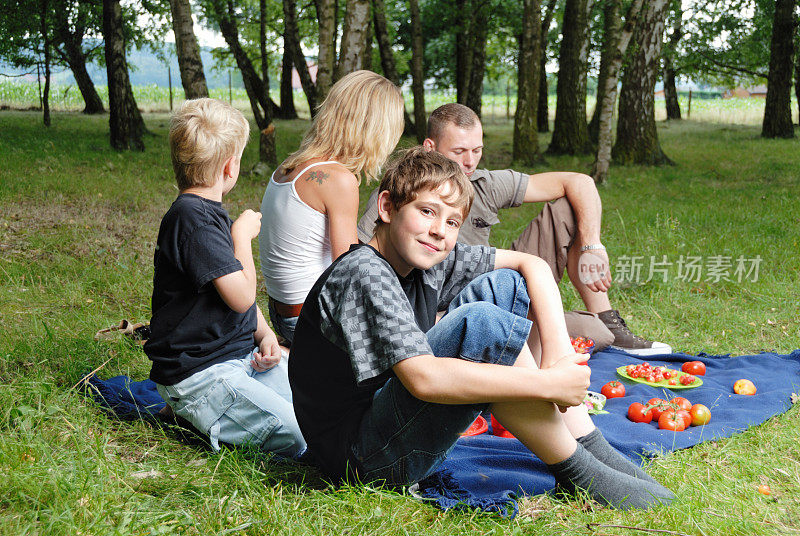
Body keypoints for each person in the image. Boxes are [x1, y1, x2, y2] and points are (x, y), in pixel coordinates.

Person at [290, 147, 673, 509]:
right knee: (482, 324)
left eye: (452, 221)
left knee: (501, 286)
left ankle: (589, 444)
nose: (439, 230)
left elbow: (532, 265)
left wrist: (557, 355)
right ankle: (576, 470)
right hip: (360, 460)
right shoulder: (364, 271)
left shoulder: (426, 257)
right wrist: (549, 384)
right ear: (388, 207)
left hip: (387, 423)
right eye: (426, 211)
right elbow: (423, 379)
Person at [359, 103, 671, 356]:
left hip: (496, 283)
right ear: (430, 146)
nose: (469, 162)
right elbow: (358, 261)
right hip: (444, 311)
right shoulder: (399, 196)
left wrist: (592, 245)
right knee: (592, 336)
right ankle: (541, 331)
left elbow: (580, 182)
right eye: (459, 152)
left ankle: (605, 321)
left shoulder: (484, 183)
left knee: (568, 209)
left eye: (477, 150)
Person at [144, 98, 305, 459]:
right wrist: (242, 238)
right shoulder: (193, 221)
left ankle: (206, 413)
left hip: (238, 358)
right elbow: (241, 297)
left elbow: (233, 292)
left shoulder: (205, 213)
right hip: (201, 375)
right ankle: (189, 416)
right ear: (231, 167)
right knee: (297, 437)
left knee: (319, 408)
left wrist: (264, 335)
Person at [259, 70, 405, 344]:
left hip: (281, 312)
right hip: (309, 319)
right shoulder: (338, 179)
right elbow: (348, 270)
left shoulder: (291, 165)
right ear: (376, 129)